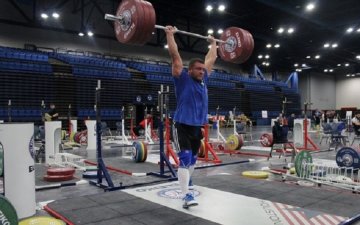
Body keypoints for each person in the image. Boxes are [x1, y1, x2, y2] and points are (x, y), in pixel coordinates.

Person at [165, 25, 217, 209]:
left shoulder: (204, 81)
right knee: (185, 159)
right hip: (181, 126)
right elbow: (174, 56)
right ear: (190, 70)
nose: (202, 71)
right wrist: (170, 35)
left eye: (203, 69)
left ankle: (187, 182)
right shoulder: (182, 78)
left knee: (193, 160)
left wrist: (213, 43)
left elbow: (211, 58)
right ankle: (186, 195)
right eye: (198, 69)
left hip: (197, 127)